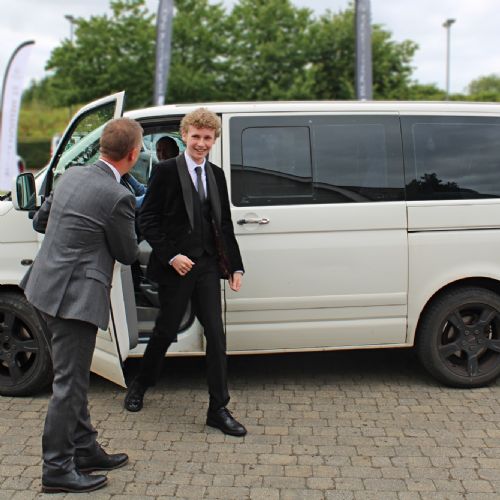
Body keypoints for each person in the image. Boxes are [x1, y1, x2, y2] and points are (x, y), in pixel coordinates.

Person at [20, 118, 142, 494]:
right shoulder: (118, 196)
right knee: (69, 385)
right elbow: (127, 252)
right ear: (133, 154)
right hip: (74, 301)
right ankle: (57, 468)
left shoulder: (71, 175)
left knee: (72, 378)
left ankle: (85, 450)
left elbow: (41, 222)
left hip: (43, 288)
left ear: (103, 146)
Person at [124, 108, 246, 437]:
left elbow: (223, 224)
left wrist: (235, 265)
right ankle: (141, 384)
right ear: (185, 136)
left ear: (214, 139)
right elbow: (147, 219)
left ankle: (218, 408)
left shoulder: (216, 174)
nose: (201, 143)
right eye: (196, 137)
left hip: (207, 266)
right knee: (165, 331)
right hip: (176, 267)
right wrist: (172, 256)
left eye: (207, 138)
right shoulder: (166, 171)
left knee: (216, 335)